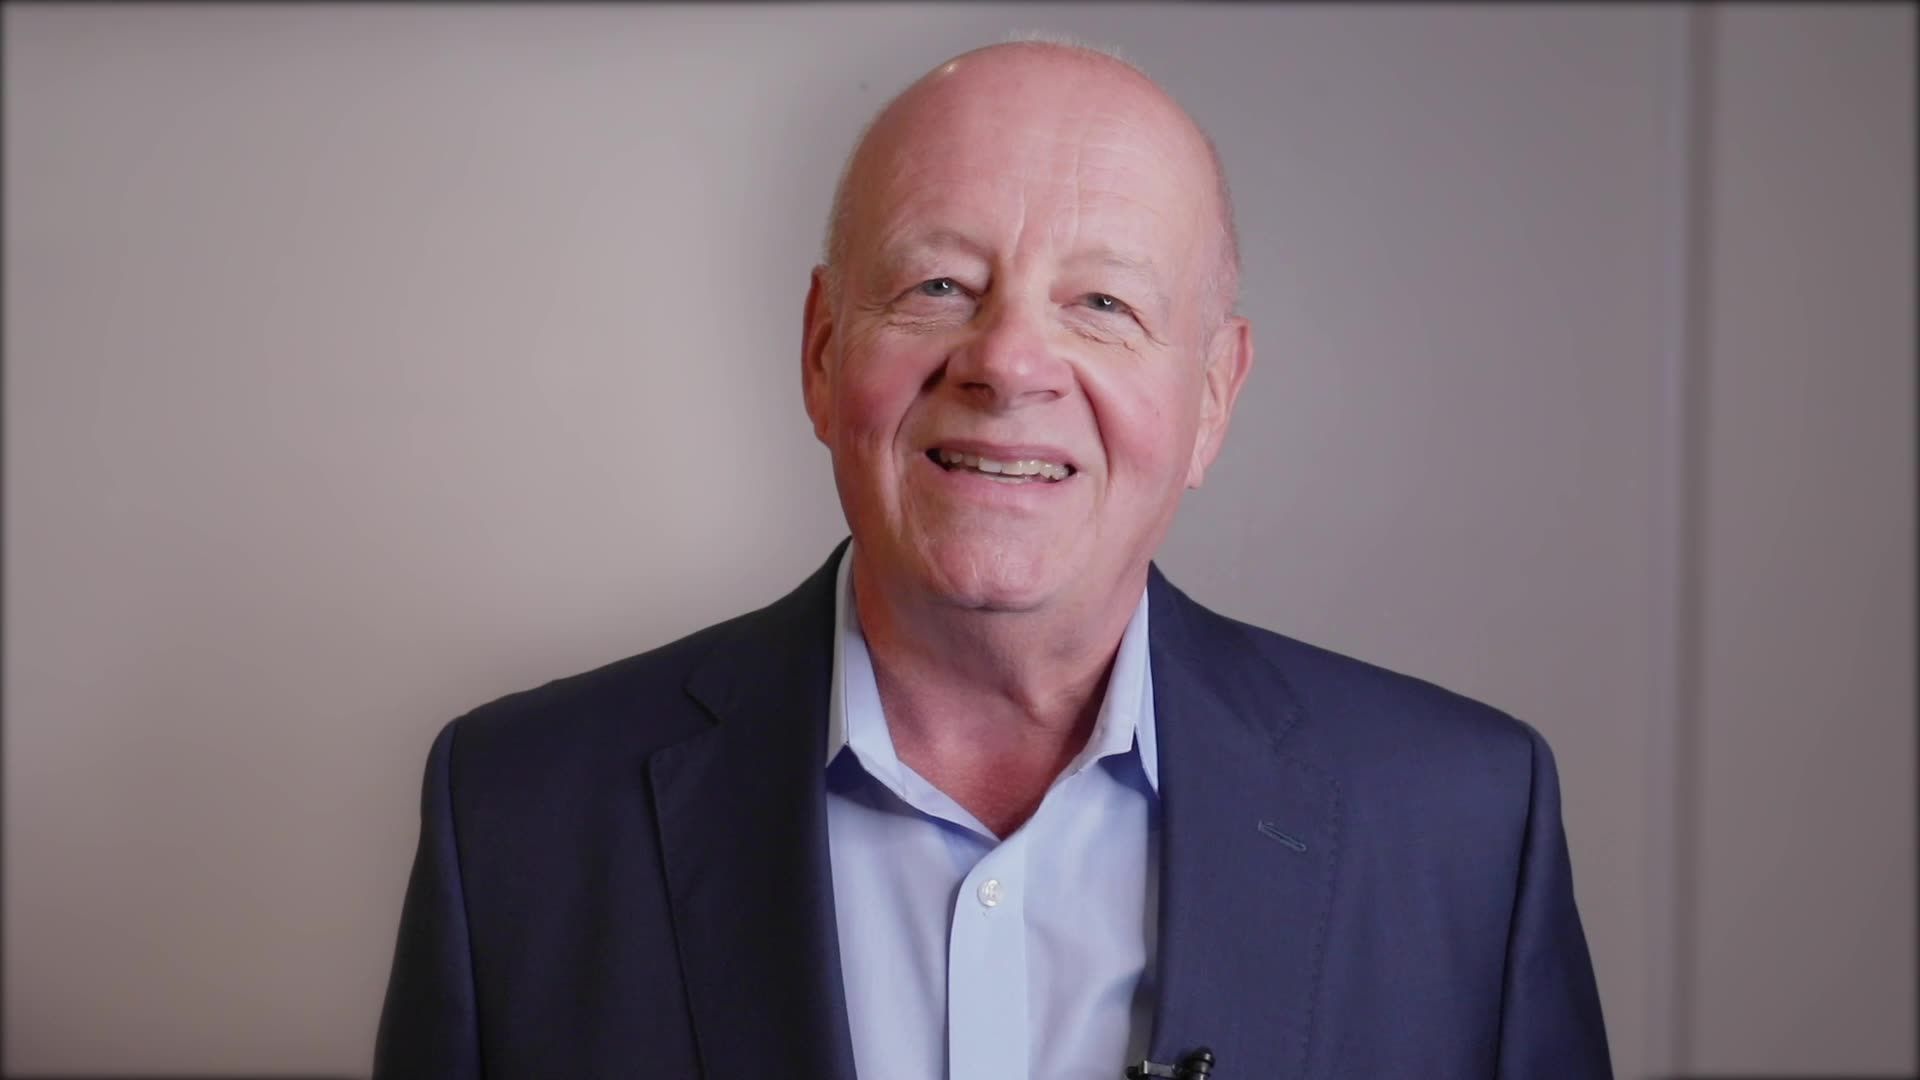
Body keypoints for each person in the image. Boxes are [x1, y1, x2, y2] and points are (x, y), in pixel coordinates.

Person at [372, 38, 1611, 1080]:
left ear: (1216, 396)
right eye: (939, 284)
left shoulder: (1462, 826)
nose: (1008, 363)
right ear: (821, 352)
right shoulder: (518, 816)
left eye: (1104, 305)